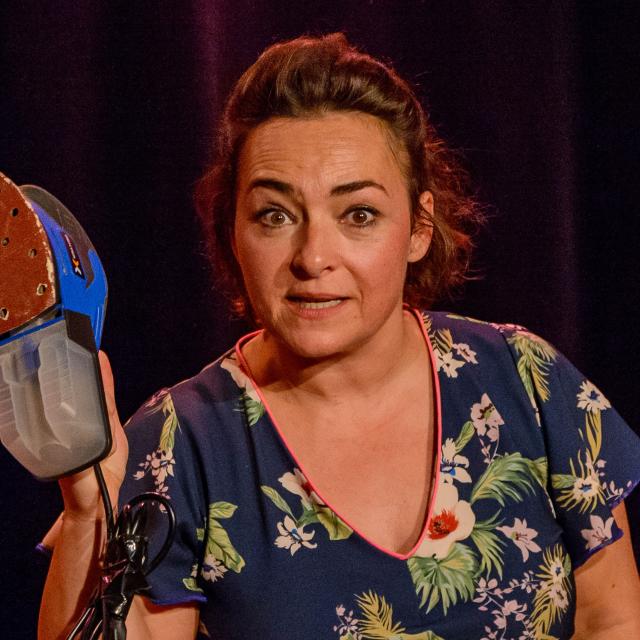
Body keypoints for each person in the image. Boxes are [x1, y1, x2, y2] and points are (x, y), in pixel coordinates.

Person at [39, 33, 640, 639]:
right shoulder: (178, 445)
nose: (313, 257)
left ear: (419, 228)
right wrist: (89, 514)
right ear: (231, 233)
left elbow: (611, 619)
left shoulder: (527, 381)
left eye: (359, 215)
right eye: (275, 215)